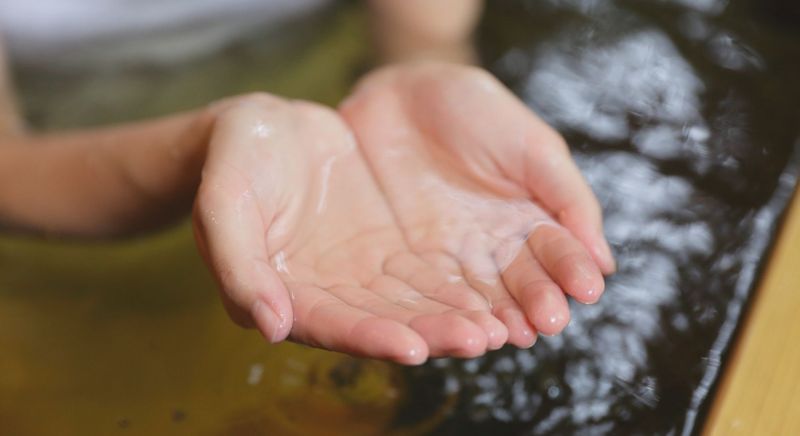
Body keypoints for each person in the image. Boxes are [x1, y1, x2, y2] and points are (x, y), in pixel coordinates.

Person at [0, 0, 615, 364]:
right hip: (80, 170)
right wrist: (194, 148)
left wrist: (427, 86)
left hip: (328, 120)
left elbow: (425, 34)